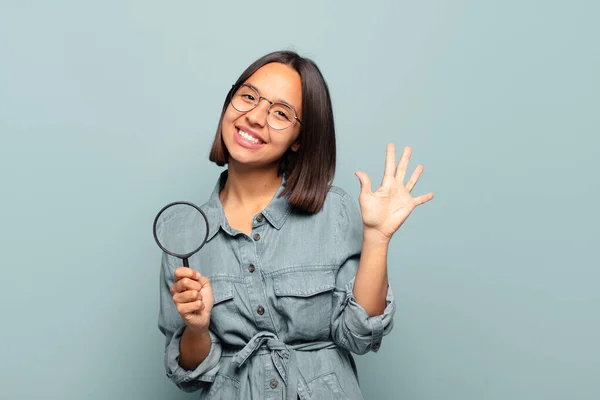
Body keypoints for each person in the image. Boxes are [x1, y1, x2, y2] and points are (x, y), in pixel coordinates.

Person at [157, 50, 434, 399]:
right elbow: (189, 376)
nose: (256, 117)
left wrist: (377, 238)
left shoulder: (333, 211)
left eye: (280, 113)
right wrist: (196, 329)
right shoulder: (184, 235)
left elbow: (359, 335)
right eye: (248, 97)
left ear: (299, 139)